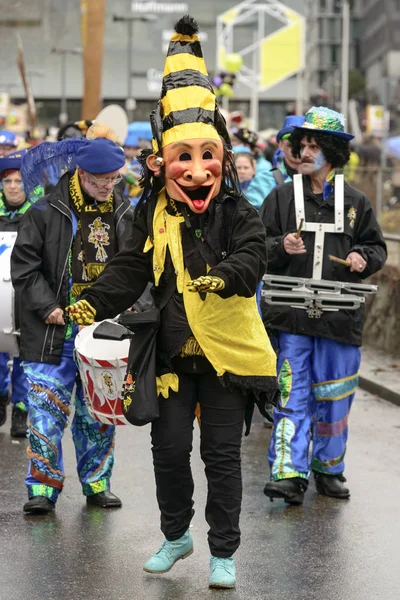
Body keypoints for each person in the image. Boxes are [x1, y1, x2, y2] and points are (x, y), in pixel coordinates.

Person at [66, 16, 278, 590]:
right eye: (182, 156)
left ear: (224, 156)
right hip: (170, 359)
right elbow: (130, 268)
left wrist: (223, 278)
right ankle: (176, 533)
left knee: (223, 458)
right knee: (168, 452)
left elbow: (254, 256)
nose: (197, 169)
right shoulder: (148, 214)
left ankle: (223, 553)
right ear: (161, 160)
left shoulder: (239, 212)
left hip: (227, 357)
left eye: (207, 155)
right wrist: (92, 301)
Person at [262, 107, 387, 505]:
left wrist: (363, 259)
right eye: (303, 144)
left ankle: (328, 470)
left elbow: (377, 247)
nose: (306, 152)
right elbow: (254, 248)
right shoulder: (281, 197)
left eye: (315, 145)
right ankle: (288, 473)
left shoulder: (356, 201)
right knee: (290, 393)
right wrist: (281, 246)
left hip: (339, 318)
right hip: (291, 316)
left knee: (334, 397)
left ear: (331, 150)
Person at [11, 131, 132, 515]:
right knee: (45, 411)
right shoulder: (45, 212)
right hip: (52, 331)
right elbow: (24, 269)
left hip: (103, 332)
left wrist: (126, 313)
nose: (107, 187)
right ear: (80, 172)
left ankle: (97, 483)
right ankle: (43, 488)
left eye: (113, 179)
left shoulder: (125, 212)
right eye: (100, 180)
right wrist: (48, 307)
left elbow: (136, 270)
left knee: (98, 414)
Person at [0, 150, 38, 437]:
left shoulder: (38, 216)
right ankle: (1, 399)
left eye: (18, 181)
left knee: (24, 355)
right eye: (7, 181)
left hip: (25, 298)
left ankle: (21, 409)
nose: (13, 186)